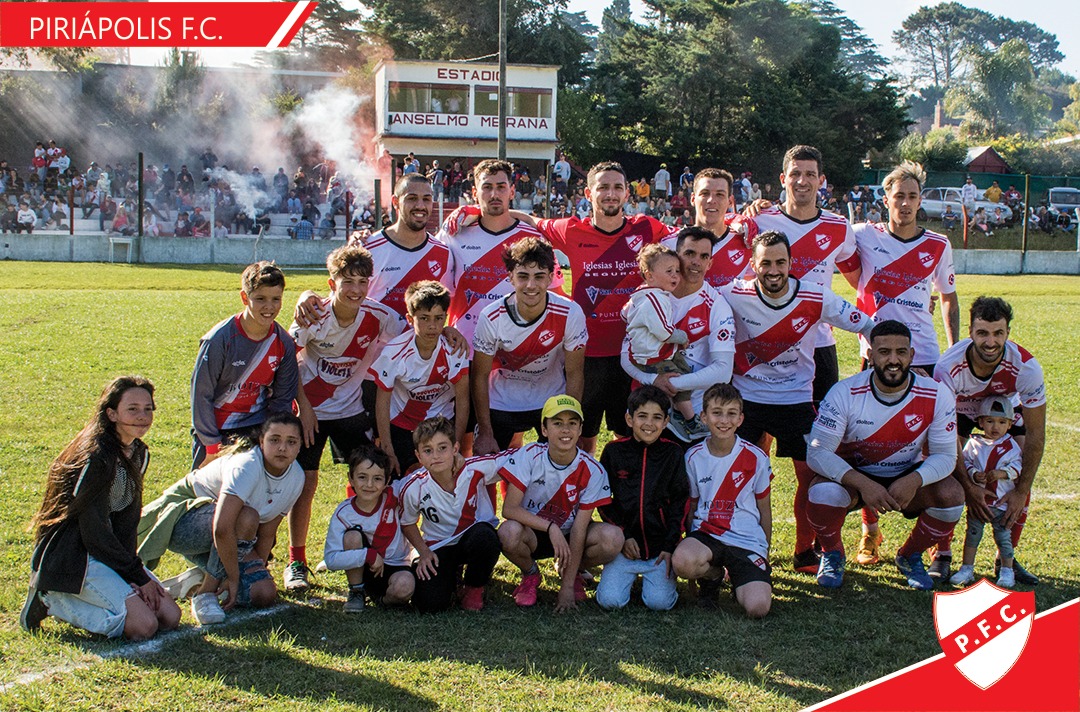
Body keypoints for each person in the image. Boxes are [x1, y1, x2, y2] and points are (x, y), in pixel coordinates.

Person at [721, 230, 874, 574]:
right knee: (740, 478)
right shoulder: (733, 292)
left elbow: (867, 324)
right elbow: (694, 302)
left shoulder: (816, 295)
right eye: (765, 263)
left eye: (780, 262)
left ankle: (805, 551)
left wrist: (889, 356)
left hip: (796, 401)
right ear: (752, 265)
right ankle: (743, 550)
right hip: (747, 401)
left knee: (811, 479)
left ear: (791, 264)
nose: (773, 270)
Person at [838, 162, 961, 566]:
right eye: (898, 195)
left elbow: (947, 296)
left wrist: (954, 346)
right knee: (865, 442)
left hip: (922, 355)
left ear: (920, 200)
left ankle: (939, 544)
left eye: (912, 196)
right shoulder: (862, 236)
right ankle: (869, 532)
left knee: (930, 448)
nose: (905, 203)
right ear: (885, 198)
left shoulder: (939, 245)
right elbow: (816, 232)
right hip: (872, 352)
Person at [805, 320, 962, 590]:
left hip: (905, 475)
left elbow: (946, 456)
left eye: (901, 352)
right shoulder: (845, 392)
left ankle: (909, 555)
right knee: (822, 493)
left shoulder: (937, 395)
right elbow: (817, 452)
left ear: (912, 355)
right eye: (884, 352)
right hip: (855, 477)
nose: (893, 360)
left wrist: (914, 480)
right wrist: (864, 484)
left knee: (951, 496)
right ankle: (833, 553)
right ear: (870, 354)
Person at [22, 377, 181, 639]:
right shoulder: (95, 457)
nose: (142, 416)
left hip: (104, 549)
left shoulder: (139, 453)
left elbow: (126, 522)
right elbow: (92, 530)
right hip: (72, 552)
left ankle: (107, 596)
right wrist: (137, 577)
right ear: (111, 413)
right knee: (144, 627)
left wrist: (133, 572)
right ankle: (50, 599)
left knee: (169, 616)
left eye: (148, 408)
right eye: (132, 409)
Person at [285, 244, 401, 591]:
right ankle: (297, 561)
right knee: (305, 485)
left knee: (373, 476)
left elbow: (409, 339)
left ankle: (363, 545)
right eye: (346, 280)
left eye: (362, 281)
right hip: (311, 411)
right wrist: (304, 410)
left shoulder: (379, 316)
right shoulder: (312, 314)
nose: (354, 289)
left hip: (350, 409)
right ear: (331, 282)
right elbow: (288, 361)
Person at [139, 413, 305, 625]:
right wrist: (234, 578)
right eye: (275, 440)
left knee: (263, 593)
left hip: (229, 536)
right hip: (181, 521)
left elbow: (267, 533)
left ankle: (196, 579)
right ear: (261, 441)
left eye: (291, 442)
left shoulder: (296, 477)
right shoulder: (248, 465)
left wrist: (256, 572)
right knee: (246, 517)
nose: (282, 448)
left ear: (300, 445)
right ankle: (205, 593)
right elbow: (222, 528)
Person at [731, 145, 859, 408]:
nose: (802, 181)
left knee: (820, 425)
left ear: (821, 180)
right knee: (757, 423)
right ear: (783, 179)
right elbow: (741, 276)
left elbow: (860, 280)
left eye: (810, 174)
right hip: (765, 337)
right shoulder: (759, 220)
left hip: (818, 340)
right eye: (795, 174)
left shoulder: (839, 227)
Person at [931, 297, 1046, 585]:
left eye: (998, 333)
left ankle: (1005, 556)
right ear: (970, 332)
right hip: (963, 409)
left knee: (1018, 472)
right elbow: (943, 439)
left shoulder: (1027, 367)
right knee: (946, 473)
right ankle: (942, 553)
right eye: (983, 333)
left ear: (1008, 332)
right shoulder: (947, 366)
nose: (991, 342)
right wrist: (969, 486)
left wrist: (1021, 490)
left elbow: (1035, 434)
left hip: (1002, 408)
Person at [498, 395, 623, 611]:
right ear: (544, 429)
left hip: (570, 534)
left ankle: (570, 571)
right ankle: (530, 574)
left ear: (580, 429)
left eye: (572, 423)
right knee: (508, 532)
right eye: (557, 423)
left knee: (612, 538)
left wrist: (566, 587)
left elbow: (580, 528)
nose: (565, 430)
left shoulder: (593, 470)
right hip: (533, 533)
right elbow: (509, 509)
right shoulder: (528, 456)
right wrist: (550, 527)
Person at [472, 237, 587, 454]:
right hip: (501, 401)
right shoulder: (491, 316)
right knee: (484, 467)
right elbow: (479, 376)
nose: (531, 285)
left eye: (539, 277)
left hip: (549, 400)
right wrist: (486, 431)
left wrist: (571, 424)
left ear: (551, 278)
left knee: (560, 465)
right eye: (523, 276)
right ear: (510, 278)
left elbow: (574, 373)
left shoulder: (570, 313)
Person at [622, 226, 736, 442]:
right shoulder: (647, 296)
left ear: (710, 263)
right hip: (647, 408)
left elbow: (723, 371)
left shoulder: (717, 305)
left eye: (704, 256)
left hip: (693, 415)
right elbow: (625, 355)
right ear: (676, 256)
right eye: (689, 254)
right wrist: (653, 379)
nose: (696, 262)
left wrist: (674, 384)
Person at [671, 383, 773, 618]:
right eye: (717, 413)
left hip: (746, 540)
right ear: (704, 417)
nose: (724, 420)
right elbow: (692, 506)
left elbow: (764, 509)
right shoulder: (693, 456)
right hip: (707, 535)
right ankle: (713, 575)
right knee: (683, 562)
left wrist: (764, 553)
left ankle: (743, 575)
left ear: (740, 419)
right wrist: (689, 543)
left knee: (757, 608)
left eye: (731, 413)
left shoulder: (756, 457)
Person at [189, 261, 299, 468]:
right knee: (205, 496)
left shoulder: (283, 342)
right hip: (215, 430)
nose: (269, 307)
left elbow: (282, 400)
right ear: (244, 297)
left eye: (276, 299)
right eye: (260, 299)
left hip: (255, 427)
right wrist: (212, 445)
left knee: (252, 497)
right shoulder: (219, 339)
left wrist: (272, 437)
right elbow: (201, 395)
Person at [441, 159, 551, 350]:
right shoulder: (454, 233)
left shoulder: (535, 237)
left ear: (512, 191)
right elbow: (437, 292)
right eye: (487, 187)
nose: (494, 194)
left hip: (519, 351)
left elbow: (553, 294)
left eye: (501, 187)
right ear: (475, 193)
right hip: (465, 348)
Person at [596, 386, 689, 611]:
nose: (649, 424)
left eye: (657, 417)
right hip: (624, 547)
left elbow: (681, 501)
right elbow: (602, 498)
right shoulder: (613, 451)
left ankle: (658, 580)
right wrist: (624, 536)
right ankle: (622, 576)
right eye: (642, 416)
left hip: (660, 550)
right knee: (610, 602)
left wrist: (670, 545)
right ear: (629, 419)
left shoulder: (673, 453)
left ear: (666, 421)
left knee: (659, 603)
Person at [399, 417, 506, 612]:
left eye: (443, 448)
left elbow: (515, 460)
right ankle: (451, 575)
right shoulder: (413, 487)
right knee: (429, 604)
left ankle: (474, 587)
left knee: (486, 537)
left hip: (472, 537)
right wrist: (423, 552)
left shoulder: (475, 468)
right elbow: (407, 523)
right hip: (439, 546)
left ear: (455, 448)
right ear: (418, 456)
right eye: (428, 450)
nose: (436, 456)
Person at [371, 281, 470, 478]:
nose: (432, 326)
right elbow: (382, 402)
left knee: (444, 487)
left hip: (441, 424)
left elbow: (463, 398)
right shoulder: (394, 352)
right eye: (424, 318)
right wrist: (388, 449)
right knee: (398, 488)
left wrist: (455, 446)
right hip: (402, 424)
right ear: (410, 318)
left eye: (438, 318)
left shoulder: (455, 350)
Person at [323, 444, 415, 612]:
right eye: (362, 477)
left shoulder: (396, 493)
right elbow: (331, 559)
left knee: (405, 587)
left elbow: (424, 476)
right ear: (350, 478)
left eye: (377, 479)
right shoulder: (344, 513)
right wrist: (369, 555)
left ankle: (383, 601)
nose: (369, 484)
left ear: (387, 481)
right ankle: (356, 591)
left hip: (395, 566)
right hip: (365, 568)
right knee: (352, 536)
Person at [622, 243, 700, 435]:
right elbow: (664, 332)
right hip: (653, 356)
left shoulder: (644, 294)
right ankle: (690, 421)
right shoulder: (653, 299)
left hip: (658, 352)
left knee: (684, 373)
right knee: (677, 381)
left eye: (677, 271)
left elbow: (624, 313)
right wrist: (682, 337)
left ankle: (678, 411)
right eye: (669, 271)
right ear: (650, 275)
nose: (675, 275)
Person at [950, 396, 1024, 588]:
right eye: (989, 421)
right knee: (973, 533)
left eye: (1001, 422)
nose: (995, 427)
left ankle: (1007, 570)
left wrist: (1002, 473)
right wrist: (974, 474)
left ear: (1010, 424)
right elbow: (965, 463)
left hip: (1001, 503)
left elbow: (1018, 468)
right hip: (979, 502)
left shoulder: (1011, 447)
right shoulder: (974, 444)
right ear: (981, 422)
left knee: (1003, 537)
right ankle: (967, 568)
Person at [661, 168, 752, 290]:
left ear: (730, 201)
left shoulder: (747, 242)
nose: (711, 200)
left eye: (719, 194)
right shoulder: (668, 245)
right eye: (705, 193)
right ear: (693, 199)